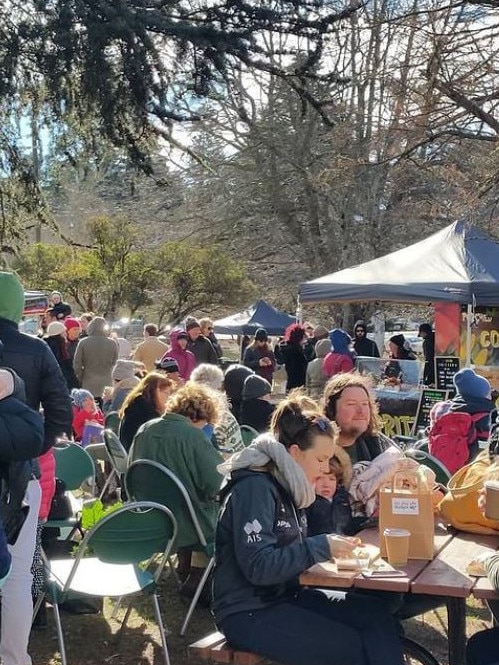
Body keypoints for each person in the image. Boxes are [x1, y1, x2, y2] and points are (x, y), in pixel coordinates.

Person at [212, 393, 405, 665]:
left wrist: (330, 543)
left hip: (287, 596)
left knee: (377, 615)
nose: (325, 469)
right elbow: (259, 566)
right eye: (321, 459)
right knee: (351, 647)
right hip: (248, 611)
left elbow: (298, 547)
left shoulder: (290, 483)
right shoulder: (255, 487)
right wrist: (321, 546)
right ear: (294, 453)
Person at [0, 272, 72, 665]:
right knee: (17, 575)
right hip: (21, 479)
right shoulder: (37, 349)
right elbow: (61, 414)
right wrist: (29, 446)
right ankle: (13, 657)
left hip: (19, 473)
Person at [129, 382, 224, 595]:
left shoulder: (145, 429)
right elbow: (217, 483)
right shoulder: (193, 436)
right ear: (198, 416)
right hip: (188, 524)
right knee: (226, 508)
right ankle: (201, 574)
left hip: (150, 518)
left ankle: (189, 568)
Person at [190, 364, 244, 454]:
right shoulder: (224, 417)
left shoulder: (186, 413)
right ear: (216, 389)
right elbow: (238, 451)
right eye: (220, 388)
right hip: (222, 462)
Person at [119, 372, 176, 452]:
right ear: (156, 390)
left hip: (132, 455)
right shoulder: (146, 412)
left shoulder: (136, 403)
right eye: (166, 393)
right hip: (140, 457)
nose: (168, 397)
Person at [306, 452, 356, 536]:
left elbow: (349, 525)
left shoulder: (343, 499)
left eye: (331, 479)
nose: (326, 484)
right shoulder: (307, 504)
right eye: (320, 478)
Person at [73, 316, 119, 404]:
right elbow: (115, 363)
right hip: (107, 382)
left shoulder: (83, 342)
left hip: (88, 381)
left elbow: (77, 364)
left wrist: (80, 377)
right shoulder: (112, 343)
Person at [44, 321, 79, 391]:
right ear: (58, 334)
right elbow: (64, 369)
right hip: (61, 386)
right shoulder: (59, 347)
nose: (66, 334)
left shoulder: (47, 346)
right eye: (64, 332)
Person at [275, 323, 309, 392]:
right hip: (296, 387)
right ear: (300, 338)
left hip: (281, 386)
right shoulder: (298, 353)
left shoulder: (282, 348)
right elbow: (300, 373)